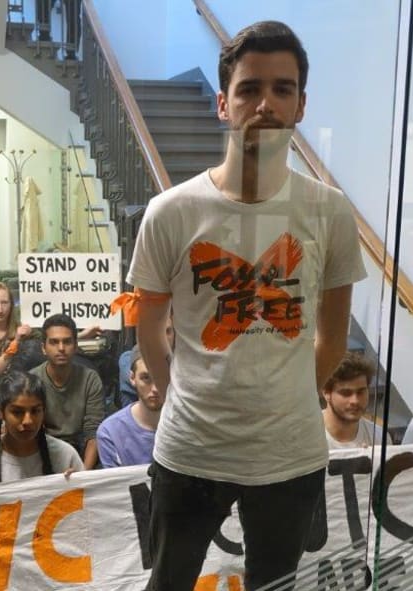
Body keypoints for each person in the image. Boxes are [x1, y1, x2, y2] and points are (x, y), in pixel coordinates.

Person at [125, 21, 367, 590]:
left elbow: (332, 337)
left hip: (290, 455)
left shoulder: (329, 211)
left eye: (283, 89)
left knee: (274, 585)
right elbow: (150, 329)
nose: (266, 104)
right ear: (222, 104)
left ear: (302, 104)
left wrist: (282, 396)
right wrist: (185, 388)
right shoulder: (171, 211)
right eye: (250, 89)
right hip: (190, 447)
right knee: (169, 583)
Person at [0, 370, 83, 486]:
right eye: (17, 412)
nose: (28, 421)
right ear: (1, 413)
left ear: (44, 411)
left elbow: (88, 503)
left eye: (35, 411)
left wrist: (76, 486)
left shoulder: (66, 456)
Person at [29, 313, 104, 470]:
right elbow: (31, 431)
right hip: (43, 448)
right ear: (43, 348)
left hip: (81, 448)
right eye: (54, 342)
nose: (61, 348)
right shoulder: (32, 379)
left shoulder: (90, 378)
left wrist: (82, 475)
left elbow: (93, 432)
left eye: (67, 342)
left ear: (76, 346)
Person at [97, 347, 162, 468]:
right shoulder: (111, 431)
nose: (155, 389)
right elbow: (114, 484)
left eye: (161, 378)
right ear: (132, 378)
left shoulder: (188, 426)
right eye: (146, 378)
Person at [322, 351, 387, 449]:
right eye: (346, 393)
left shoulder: (379, 437)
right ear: (326, 393)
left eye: (361, 392)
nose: (355, 401)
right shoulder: (306, 435)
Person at [118, 315, 174, 407]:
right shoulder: (127, 360)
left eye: (168, 332)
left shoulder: (183, 362)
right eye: (156, 331)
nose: (163, 337)